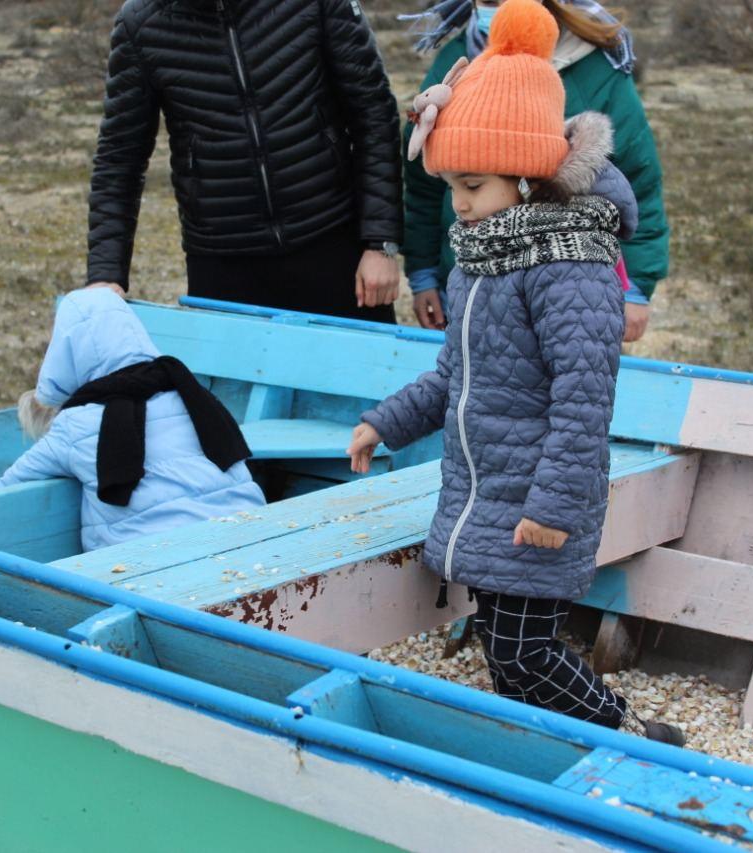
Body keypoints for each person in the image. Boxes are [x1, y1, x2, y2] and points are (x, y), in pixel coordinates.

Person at [346, 0, 683, 744]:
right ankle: (557, 752)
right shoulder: (484, 256)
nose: (459, 204)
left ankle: (632, 736)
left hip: (537, 503)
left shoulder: (569, 264)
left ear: (526, 178)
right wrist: (385, 422)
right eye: (451, 187)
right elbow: (453, 375)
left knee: (522, 652)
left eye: (472, 186)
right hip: (489, 496)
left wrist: (554, 507)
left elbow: (583, 400)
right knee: (510, 658)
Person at [85, 0, 404, 322]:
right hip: (222, 260)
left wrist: (380, 243)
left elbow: (374, 113)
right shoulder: (140, 24)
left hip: (334, 241)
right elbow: (119, 158)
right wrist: (105, 274)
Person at [400, 0, 668, 341]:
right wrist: (424, 272)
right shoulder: (455, 61)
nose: (497, 7)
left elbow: (637, 182)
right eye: (487, 2)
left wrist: (635, 289)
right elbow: (424, 185)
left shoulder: (597, 69)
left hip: (568, 296)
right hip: (467, 282)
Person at [0, 289, 265, 552]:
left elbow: (4, 493)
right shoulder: (193, 397)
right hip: (250, 538)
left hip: (147, 561)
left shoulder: (75, 424)